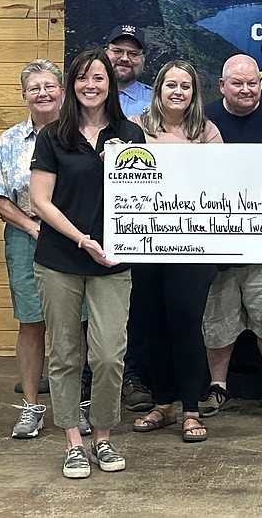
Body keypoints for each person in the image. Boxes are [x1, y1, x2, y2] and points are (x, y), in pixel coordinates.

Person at [30, 49, 145, 479]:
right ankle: (74, 442)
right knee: (64, 353)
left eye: (98, 77)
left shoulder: (130, 133)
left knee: (110, 354)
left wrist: (122, 163)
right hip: (61, 258)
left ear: (110, 84)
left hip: (114, 261)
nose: (90, 85)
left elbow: (144, 198)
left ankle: (104, 435)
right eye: (82, 78)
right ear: (72, 85)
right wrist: (82, 240)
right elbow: (40, 200)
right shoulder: (53, 136)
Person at [130, 61, 222, 443]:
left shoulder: (207, 131)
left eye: (186, 85)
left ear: (194, 93)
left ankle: (191, 408)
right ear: (159, 89)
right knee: (152, 321)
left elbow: (220, 180)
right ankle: (163, 403)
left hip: (193, 241)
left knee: (185, 319)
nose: (178, 91)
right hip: (145, 240)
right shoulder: (135, 127)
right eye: (171, 84)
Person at [201, 54, 262, 419]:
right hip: (216, 237)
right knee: (218, 314)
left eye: (252, 83)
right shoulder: (203, 121)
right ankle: (216, 386)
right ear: (222, 85)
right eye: (237, 83)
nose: (246, 90)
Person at [0, 59, 77, 440]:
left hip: (74, 238)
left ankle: (76, 407)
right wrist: (31, 227)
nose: (43, 93)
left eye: (49, 86)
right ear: (24, 95)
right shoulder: (9, 141)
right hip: (26, 237)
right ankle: (31, 407)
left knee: (78, 323)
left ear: (62, 90)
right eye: (34, 88)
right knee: (31, 321)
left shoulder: (81, 135)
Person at [104, 24, 154, 411]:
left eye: (133, 53)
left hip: (137, 218)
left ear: (142, 60)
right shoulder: (86, 95)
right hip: (90, 214)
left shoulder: (152, 104)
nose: (125, 58)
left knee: (134, 301)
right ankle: (90, 375)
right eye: (118, 50)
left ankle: (132, 374)